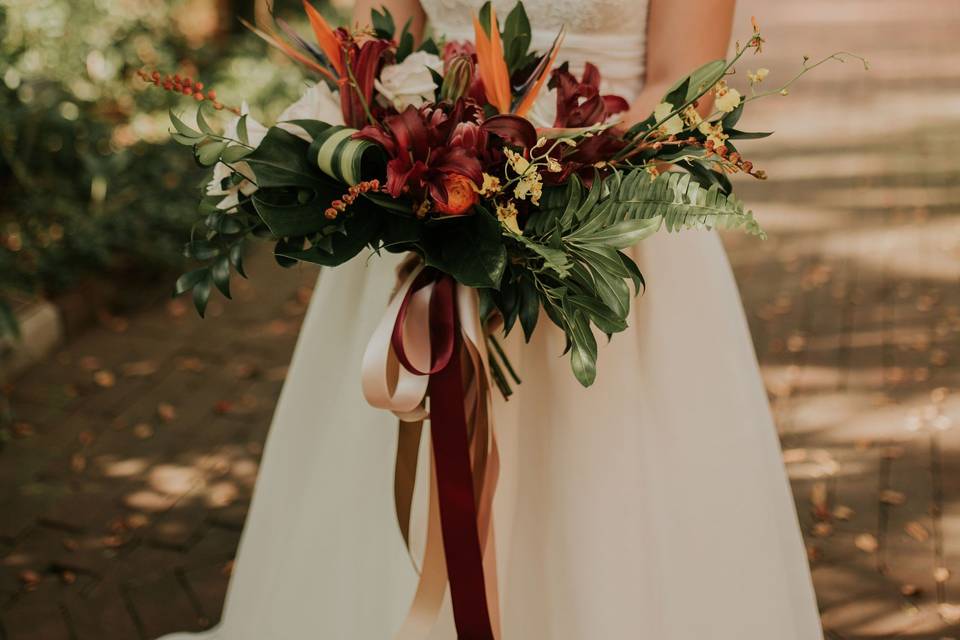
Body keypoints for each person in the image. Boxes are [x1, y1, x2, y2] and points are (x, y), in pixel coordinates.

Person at [163, 0, 823, 637]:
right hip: (426, 207)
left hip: (610, 212)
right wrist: (422, 164)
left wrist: (545, 180)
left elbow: (683, 84)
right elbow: (375, 42)